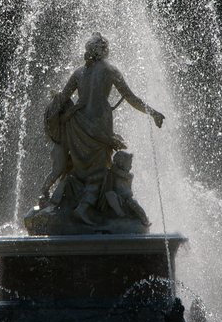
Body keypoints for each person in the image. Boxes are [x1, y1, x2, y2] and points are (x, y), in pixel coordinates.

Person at [55, 32, 164, 225]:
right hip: (100, 124)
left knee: (82, 169)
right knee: (98, 170)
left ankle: (80, 207)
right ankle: (84, 209)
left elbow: (61, 99)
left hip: (79, 125)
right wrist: (153, 113)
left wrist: (60, 117)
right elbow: (131, 98)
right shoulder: (111, 70)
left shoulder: (78, 72)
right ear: (104, 50)